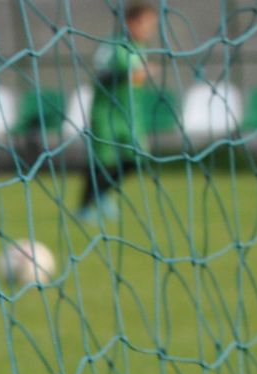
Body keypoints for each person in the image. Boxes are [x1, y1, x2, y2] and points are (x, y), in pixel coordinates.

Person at [76, 2, 158, 224]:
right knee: (103, 162)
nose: (149, 30)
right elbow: (102, 74)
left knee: (136, 159)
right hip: (106, 113)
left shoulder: (140, 47)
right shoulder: (112, 46)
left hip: (131, 115)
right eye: (146, 24)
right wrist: (131, 73)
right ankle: (84, 207)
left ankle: (102, 194)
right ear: (131, 22)